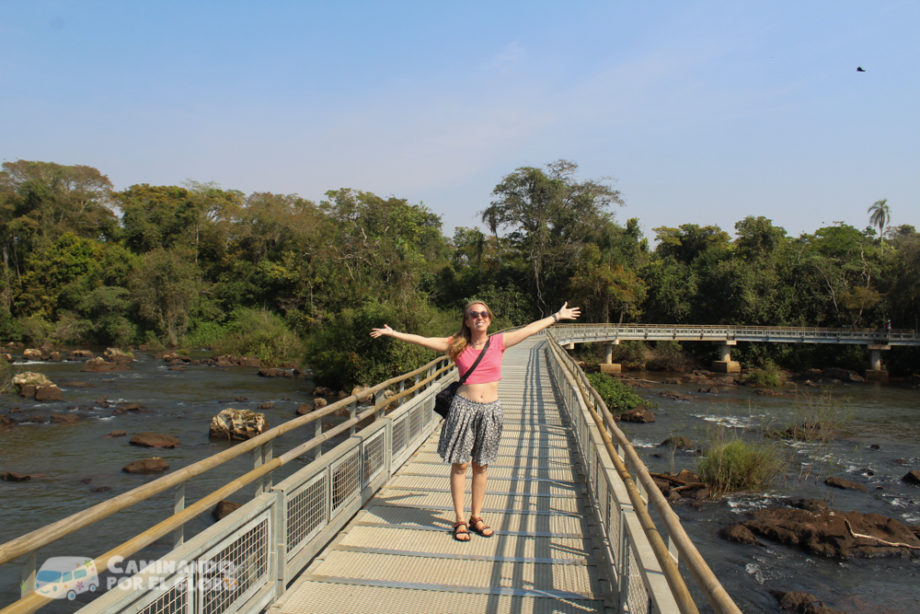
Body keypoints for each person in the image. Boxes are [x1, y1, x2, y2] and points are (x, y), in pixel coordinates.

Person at [370, 300, 581, 541]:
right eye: (473, 314)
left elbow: (530, 329)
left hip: (491, 410)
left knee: (481, 465)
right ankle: (460, 519)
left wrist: (556, 316)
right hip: (463, 409)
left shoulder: (499, 342)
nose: (479, 317)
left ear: (489, 319)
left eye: (483, 314)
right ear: (467, 321)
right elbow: (424, 340)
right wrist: (394, 333)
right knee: (460, 465)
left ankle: (476, 517)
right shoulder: (456, 345)